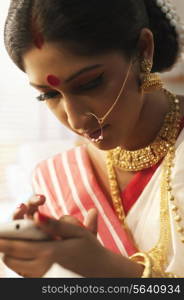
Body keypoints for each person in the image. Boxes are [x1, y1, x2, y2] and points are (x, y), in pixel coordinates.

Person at [1, 0, 184, 278]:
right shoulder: (59, 180)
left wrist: (105, 268)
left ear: (144, 51)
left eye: (89, 83)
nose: (76, 120)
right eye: (48, 95)